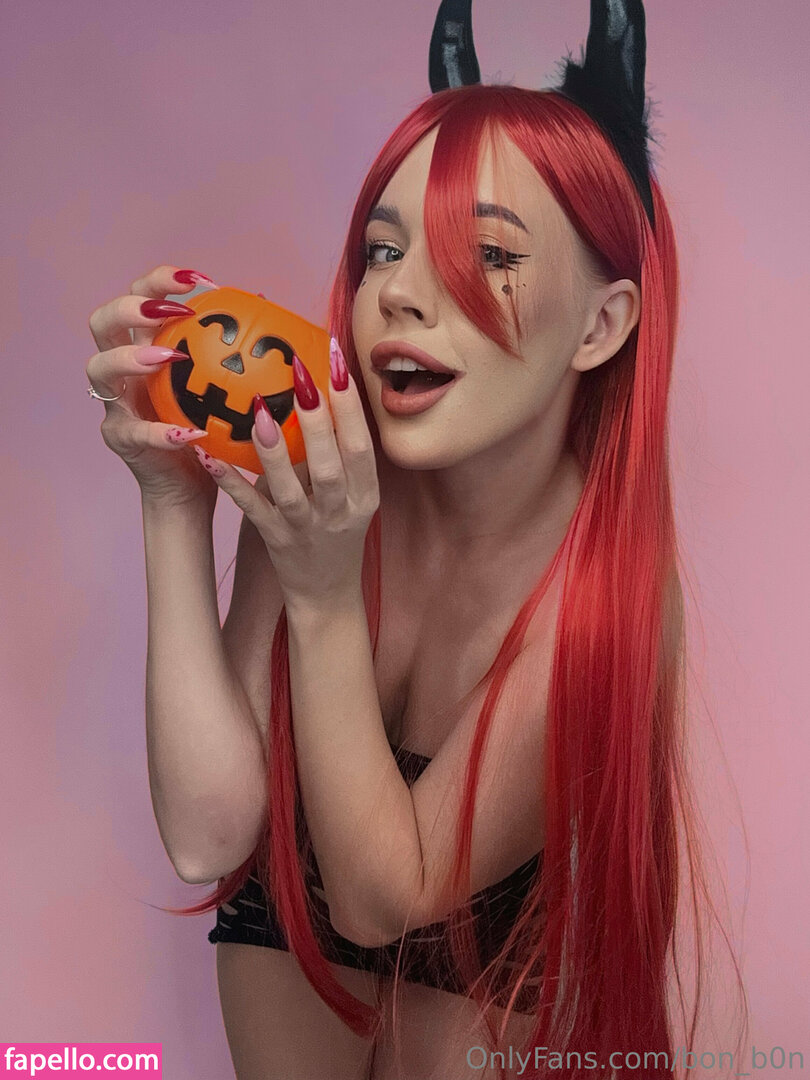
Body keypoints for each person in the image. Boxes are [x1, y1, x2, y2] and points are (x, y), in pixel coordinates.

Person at [86, 3, 747, 1078]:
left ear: (601, 325)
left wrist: (323, 591)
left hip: (475, 933)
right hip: (295, 901)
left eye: (486, 253)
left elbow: (381, 897)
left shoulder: (599, 588)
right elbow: (209, 839)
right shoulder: (328, 471)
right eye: (384, 249)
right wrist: (171, 502)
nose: (398, 293)